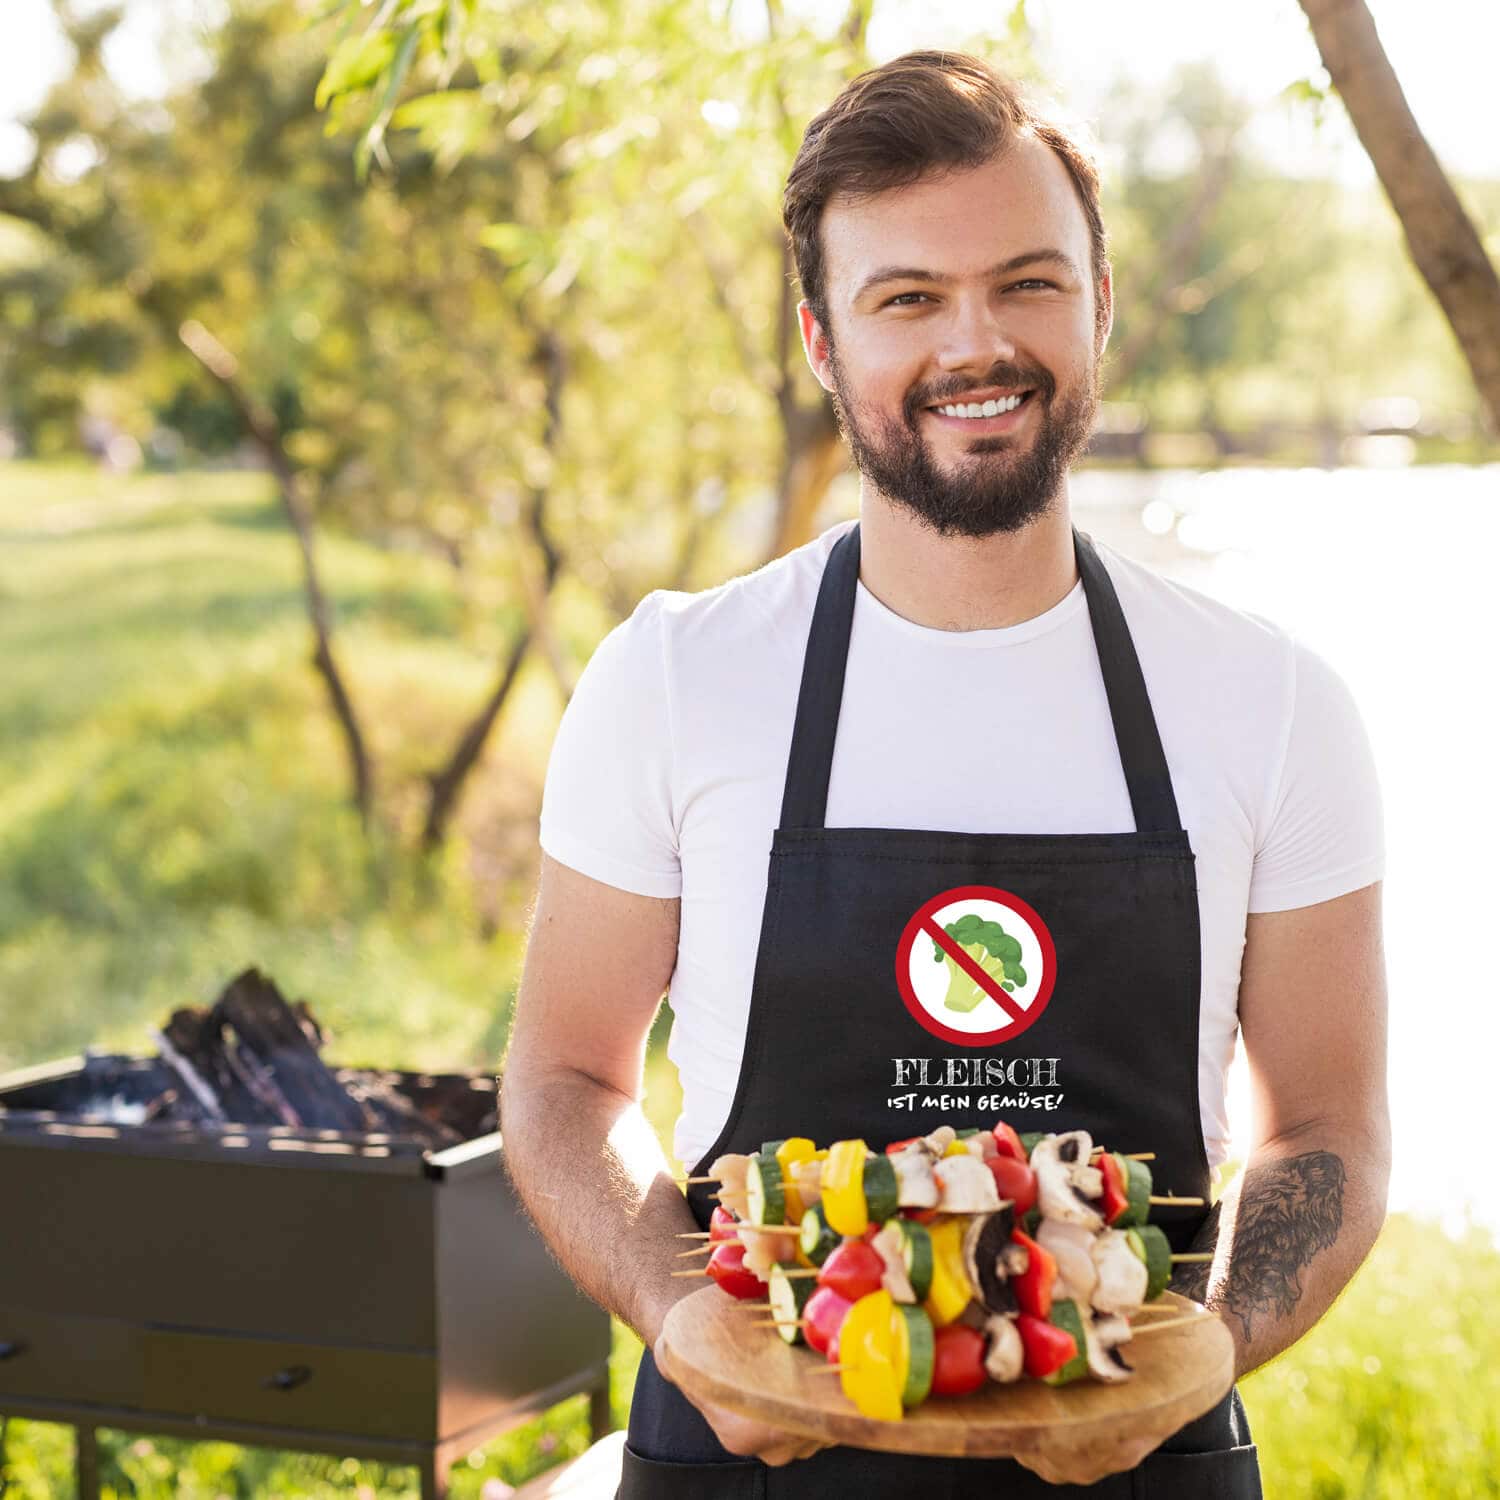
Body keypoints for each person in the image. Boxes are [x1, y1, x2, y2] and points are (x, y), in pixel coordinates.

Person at [500, 50, 1389, 1499]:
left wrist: (1201, 1349)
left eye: (1028, 283)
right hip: (741, 1459)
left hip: (1145, 1456)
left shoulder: (1272, 701)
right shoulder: (676, 675)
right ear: (820, 339)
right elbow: (561, 1078)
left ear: (1100, 305)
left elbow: (1330, 1126)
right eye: (907, 298)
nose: (976, 344)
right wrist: (681, 1317)